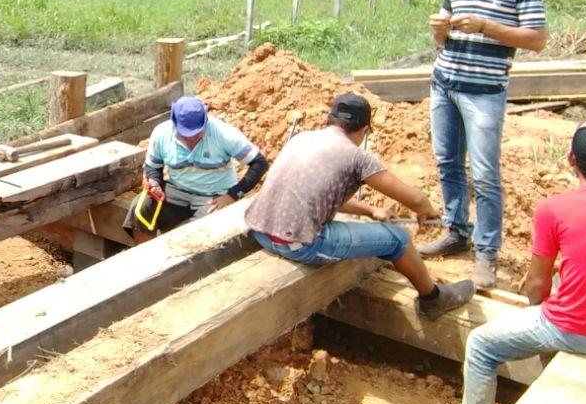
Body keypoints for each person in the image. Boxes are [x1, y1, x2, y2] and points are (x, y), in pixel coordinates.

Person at [429, 116, 586, 404]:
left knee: (482, 345)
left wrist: (538, 313)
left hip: (574, 330)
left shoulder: (555, 209)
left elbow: (538, 284)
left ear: (571, 159)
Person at [247, 93, 475, 319]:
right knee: (400, 240)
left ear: (330, 119)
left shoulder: (302, 138)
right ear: (364, 130)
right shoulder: (356, 156)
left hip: (262, 232)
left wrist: (370, 210)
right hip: (297, 244)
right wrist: (427, 210)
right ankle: (433, 299)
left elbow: (323, 195)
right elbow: (416, 200)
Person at [423, 0, 548, 289]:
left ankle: (487, 253)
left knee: (484, 175)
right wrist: (439, 32)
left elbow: (537, 39)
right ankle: (456, 231)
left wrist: (486, 26)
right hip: (445, 83)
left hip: (484, 92)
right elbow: (443, 42)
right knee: (447, 162)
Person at [123, 96, 268, 242]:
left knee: (200, 237)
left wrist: (232, 195)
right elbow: (153, 166)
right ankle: (147, 257)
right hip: (177, 191)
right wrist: (155, 182)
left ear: (205, 121)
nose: (190, 139)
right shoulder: (162, 133)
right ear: (174, 122)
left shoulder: (223, 133)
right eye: (185, 134)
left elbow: (260, 163)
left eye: (196, 133)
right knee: (141, 208)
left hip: (214, 197)